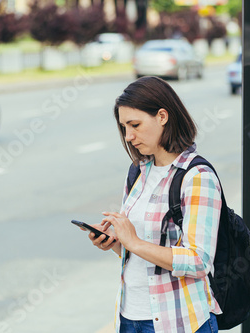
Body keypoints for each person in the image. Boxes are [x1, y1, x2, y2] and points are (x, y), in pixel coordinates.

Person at [85, 76, 222, 333]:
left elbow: (198, 261)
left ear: (162, 116)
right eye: (124, 127)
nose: (128, 136)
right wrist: (117, 242)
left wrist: (134, 242)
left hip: (179, 321)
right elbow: (143, 254)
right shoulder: (138, 171)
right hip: (128, 316)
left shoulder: (197, 176)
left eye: (135, 125)